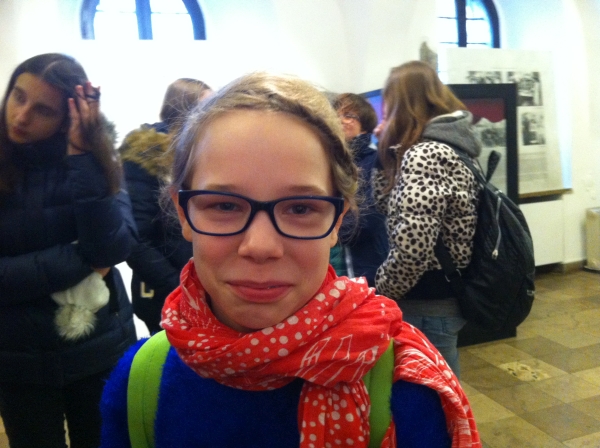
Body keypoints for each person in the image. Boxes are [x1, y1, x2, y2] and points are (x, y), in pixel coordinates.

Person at [100, 72, 480, 447]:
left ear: (338, 219)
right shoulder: (141, 383)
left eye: (300, 208)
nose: (260, 246)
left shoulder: (406, 392)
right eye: (225, 205)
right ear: (184, 213)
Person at [0, 53, 137, 448]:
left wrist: (83, 156)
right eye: (18, 96)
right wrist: (82, 260)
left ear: (67, 117)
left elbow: (113, 245)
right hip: (18, 357)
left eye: (42, 109)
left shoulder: (97, 159)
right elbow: (98, 256)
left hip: (97, 347)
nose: (21, 116)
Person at [373, 60, 482, 377]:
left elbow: (413, 247)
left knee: (434, 391)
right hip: (444, 293)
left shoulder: (426, 154)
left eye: (388, 104)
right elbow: (387, 205)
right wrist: (384, 153)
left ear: (402, 103)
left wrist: (381, 291)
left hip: (426, 299)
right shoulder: (452, 145)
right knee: (442, 384)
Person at [120, 78, 213, 334]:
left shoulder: (203, 153)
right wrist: (179, 287)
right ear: (185, 108)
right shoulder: (146, 156)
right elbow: (136, 239)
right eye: (208, 105)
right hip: (164, 291)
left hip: (204, 291)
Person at [332, 93, 389, 287]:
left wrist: (327, 230)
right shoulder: (330, 160)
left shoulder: (376, 160)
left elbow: (371, 216)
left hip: (364, 265)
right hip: (332, 262)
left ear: (364, 125)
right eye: (336, 115)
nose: (340, 120)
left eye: (348, 115)